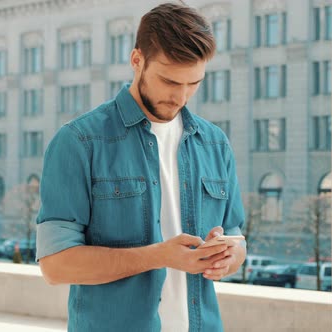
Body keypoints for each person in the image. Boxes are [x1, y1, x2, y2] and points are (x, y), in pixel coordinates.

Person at [36, 2, 246, 331]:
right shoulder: (79, 142)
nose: (181, 97)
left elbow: (237, 238)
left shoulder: (215, 143)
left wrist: (229, 257)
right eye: (169, 81)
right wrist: (160, 256)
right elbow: (56, 265)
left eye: (194, 84)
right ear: (137, 60)